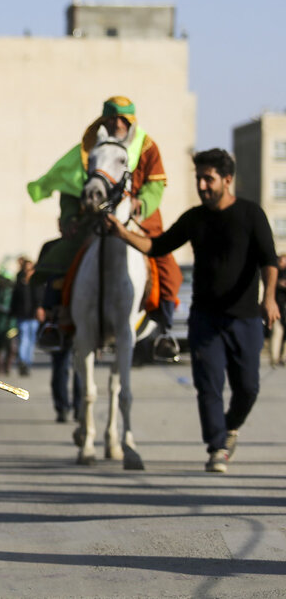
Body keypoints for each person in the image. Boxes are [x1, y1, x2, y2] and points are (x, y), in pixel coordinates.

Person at [106, 148, 279, 473]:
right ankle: (217, 449)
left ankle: (229, 428)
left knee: (248, 387)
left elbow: (269, 260)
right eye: (199, 178)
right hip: (206, 319)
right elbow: (158, 246)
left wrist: (268, 298)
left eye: (208, 178)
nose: (202, 185)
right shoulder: (195, 218)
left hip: (244, 319)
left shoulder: (251, 214)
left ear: (227, 180)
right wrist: (123, 233)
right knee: (208, 386)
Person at [28, 96, 183, 360]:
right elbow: (70, 188)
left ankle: (165, 328)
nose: (117, 124)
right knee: (56, 255)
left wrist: (141, 203)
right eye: (111, 118)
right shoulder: (88, 149)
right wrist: (68, 219)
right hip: (93, 220)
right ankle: (54, 321)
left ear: (131, 122)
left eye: (123, 119)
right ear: (103, 120)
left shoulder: (147, 147)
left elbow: (156, 186)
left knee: (167, 265)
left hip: (138, 221)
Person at [10, 258, 41, 377]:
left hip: (33, 317)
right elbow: (14, 300)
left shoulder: (37, 284)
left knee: (31, 340)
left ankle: (27, 362)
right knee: (23, 339)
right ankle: (22, 361)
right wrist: (12, 313)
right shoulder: (20, 284)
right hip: (22, 316)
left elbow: (40, 299)